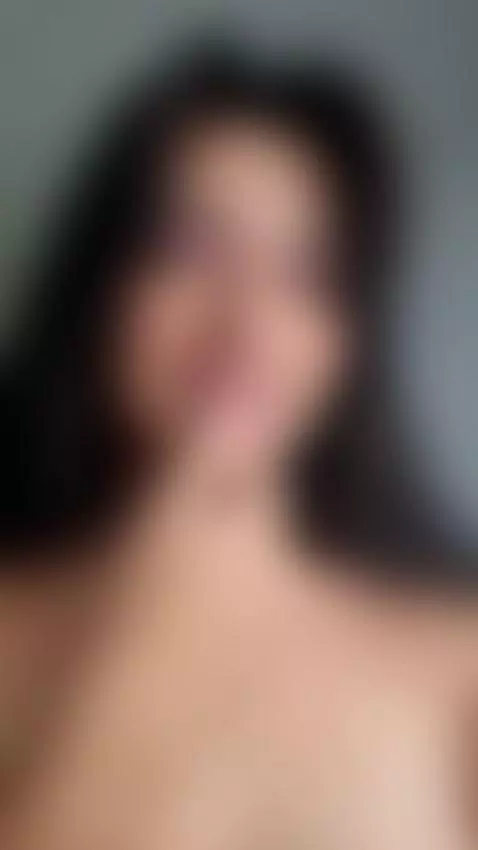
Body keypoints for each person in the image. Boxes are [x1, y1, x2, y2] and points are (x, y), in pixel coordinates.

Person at [0, 47, 476, 850]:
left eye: (307, 274)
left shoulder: (458, 667)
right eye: (190, 251)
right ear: (103, 284)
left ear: (347, 340)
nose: (247, 325)